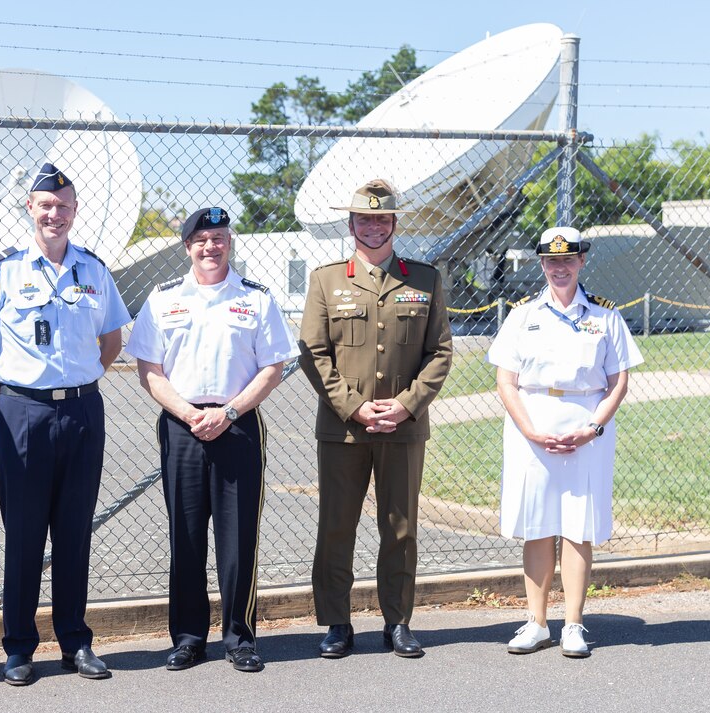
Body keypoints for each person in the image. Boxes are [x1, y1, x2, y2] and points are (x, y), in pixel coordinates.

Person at [0, 162, 131, 686]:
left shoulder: (94, 270)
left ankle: (76, 642)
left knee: (75, 533)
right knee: (25, 534)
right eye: (45, 205)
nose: (54, 213)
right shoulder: (5, 270)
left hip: (81, 411)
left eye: (64, 205)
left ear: (75, 212)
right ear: (30, 210)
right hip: (23, 415)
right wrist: (12, 393)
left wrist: (79, 385)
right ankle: (18, 648)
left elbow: (113, 340)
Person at [126, 207, 298, 673]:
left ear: (229, 243)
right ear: (187, 247)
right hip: (181, 426)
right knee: (184, 536)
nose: (210, 247)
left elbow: (273, 366)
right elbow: (149, 370)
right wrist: (186, 412)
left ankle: (240, 638)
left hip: (238, 424)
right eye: (201, 239)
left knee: (238, 537)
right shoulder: (162, 300)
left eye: (218, 237)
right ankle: (187, 638)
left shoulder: (256, 299)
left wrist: (229, 411)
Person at [299, 180, 453, 659]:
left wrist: (407, 404)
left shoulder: (424, 278)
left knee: (401, 527)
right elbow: (313, 354)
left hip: (403, 428)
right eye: (364, 219)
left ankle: (398, 621)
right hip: (344, 428)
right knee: (337, 526)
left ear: (394, 225)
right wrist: (353, 405)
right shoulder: (326, 280)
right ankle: (337, 623)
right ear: (350, 225)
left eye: (381, 219)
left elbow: (440, 351)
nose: (373, 226)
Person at [486, 226, 643, 658]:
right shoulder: (522, 315)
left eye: (568, 260)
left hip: (586, 430)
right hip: (531, 428)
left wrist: (592, 429)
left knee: (578, 527)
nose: (559, 268)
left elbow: (619, 382)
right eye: (551, 261)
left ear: (581, 262)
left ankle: (573, 624)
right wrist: (530, 430)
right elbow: (506, 381)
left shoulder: (605, 316)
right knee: (537, 526)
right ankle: (537, 622)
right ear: (541, 264)